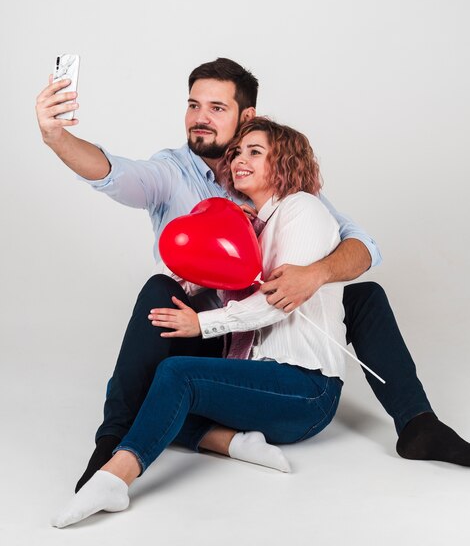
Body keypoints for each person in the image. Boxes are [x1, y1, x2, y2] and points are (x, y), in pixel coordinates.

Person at [35, 58, 470, 492]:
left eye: (217, 108)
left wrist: (314, 273)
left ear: (247, 118)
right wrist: (57, 137)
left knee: (365, 295)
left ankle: (418, 423)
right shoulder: (171, 171)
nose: (200, 118)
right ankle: (113, 442)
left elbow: (362, 246)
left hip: (265, 330)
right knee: (157, 300)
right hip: (202, 333)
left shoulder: (274, 175)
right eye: (193, 105)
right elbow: (114, 172)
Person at [52, 117, 347, 528]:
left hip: (307, 392)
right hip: (256, 379)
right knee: (153, 395)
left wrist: (202, 324)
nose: (240, 159)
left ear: (285, 163)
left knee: (178, 375)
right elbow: (196, 271)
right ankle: (230, 442)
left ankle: (115, 478)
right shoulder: (252, 226)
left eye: (255, 152)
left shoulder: (303, 209)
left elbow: (277, 301)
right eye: (238, 151)